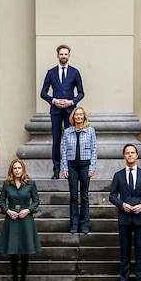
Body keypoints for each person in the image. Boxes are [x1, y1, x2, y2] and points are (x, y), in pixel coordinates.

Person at [109, 144, 141, 281]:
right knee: (124, 251)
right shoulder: (118, 175)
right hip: (124, 217)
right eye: (127, 153)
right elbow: (112, 195)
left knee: (140, 250)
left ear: (137, 155)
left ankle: (140, 280)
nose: (130, 155)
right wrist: (121, 204)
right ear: (124, 156)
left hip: (140, 216)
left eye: (132, 153)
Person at [40, 44, 85, 180]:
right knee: (56, 140)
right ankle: (56, 169)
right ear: (57, 55)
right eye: (61, 54)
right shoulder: (51, 72)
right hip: (56, 111)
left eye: (66, 54)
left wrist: (72, 102)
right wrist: (53, 100)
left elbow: (81, 93)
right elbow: (43, 92)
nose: (63, 56)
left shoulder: (75, 72)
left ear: (69, 56)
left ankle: (69, 169)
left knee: (70, 140)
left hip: (70, 111)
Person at [0, 159, 42, 281]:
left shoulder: (30, 183)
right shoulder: (6, 184)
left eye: (19, 168)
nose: (17, 170)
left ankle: (23, 280)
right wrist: (7, 211)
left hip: (25, 219)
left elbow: (36, 201)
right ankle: (15, 280)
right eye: (15, 168)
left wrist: (28, 210)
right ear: (11, 170)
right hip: (11, 219)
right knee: (13, 251)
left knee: (25, 251)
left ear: (23, 169)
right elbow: (1, 201)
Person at [60, 107, 97, 234]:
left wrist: (92, 167)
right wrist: (65, 168)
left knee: (84, 196)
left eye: (81, 115)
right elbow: (63, 150)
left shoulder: (90, 131)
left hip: (85, 166)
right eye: (76, 115)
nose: (79, 117)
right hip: (72, 167)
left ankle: (85, 225)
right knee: (74, 196)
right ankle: (74, 225)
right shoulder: (68, 131)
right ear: (73, 117)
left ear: (84, 117)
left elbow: (94, 150)